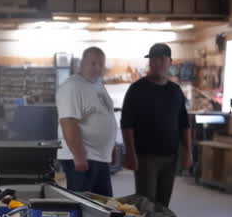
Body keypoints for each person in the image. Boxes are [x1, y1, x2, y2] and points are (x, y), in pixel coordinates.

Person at [120, 43, 192, 207]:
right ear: (149, 62)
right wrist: (130, 154)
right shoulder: (137, 89)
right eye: (153, 59)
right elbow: (127, 124)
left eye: (161, 59)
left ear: (170, 61)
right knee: (146, 203)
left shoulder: (175, 91)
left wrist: (187, 152)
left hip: (170, 157)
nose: (157, 63)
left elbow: (184, 124)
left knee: (163, 204)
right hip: (145, 158)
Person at [56, 46, 117, 196]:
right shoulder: (73, 87)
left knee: (104, 204)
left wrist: (110, 146)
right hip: (83, 158)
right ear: (81, 64)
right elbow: (68, 122)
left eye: (101, 64)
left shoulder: (96, 84)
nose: (97, 68)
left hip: (98, 156)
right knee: (84, 205)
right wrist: (79, 156)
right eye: (93, 63)